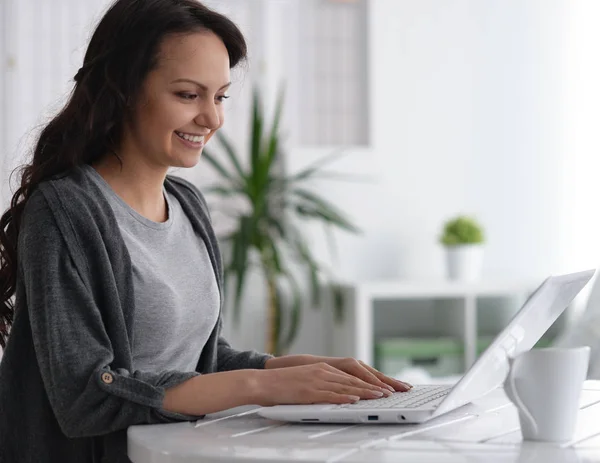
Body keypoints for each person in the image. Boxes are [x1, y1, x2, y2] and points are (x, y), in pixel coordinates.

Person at [0, 1, 411, 461]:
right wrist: (263, 385)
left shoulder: (187, 204)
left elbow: (199, 364)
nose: (212, 119)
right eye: (188, 95)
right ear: (123, 90)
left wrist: (295, 369)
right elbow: (86, 397)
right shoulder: (64, 212)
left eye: (220, 97)